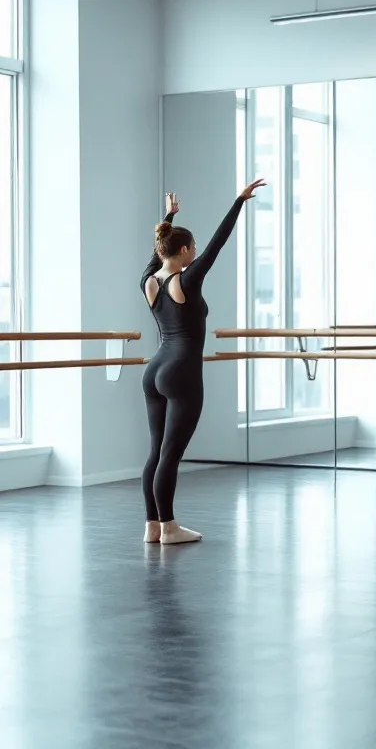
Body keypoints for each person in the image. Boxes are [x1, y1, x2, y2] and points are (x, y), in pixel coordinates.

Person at [140, 182, 264, 545]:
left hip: (155, 368)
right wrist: (238, 201)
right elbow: (217, 244)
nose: (196, 253)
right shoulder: (187, 279)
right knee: (170, 454)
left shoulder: (149, 280)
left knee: (156, 451)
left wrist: (169, 215)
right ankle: (169, 527)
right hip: (182, 371)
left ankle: (152, 526)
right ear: (183, 250)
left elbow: (157, 250)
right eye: (191, 248)